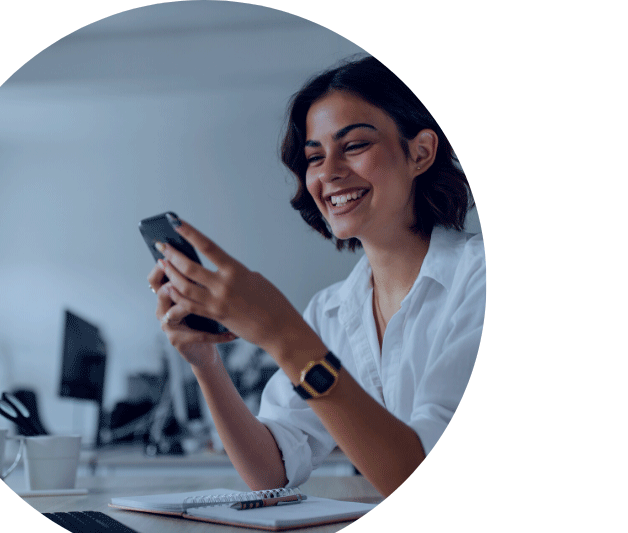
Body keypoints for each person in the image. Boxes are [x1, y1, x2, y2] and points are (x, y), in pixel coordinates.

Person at [146, 56, 485, 498]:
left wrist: (281, 333)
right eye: (314, 156)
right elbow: (271, 473)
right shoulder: (331, 311)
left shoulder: (482, 279)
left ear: (420, 152)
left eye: (355, 145)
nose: (328, 173)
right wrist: (206, 364)